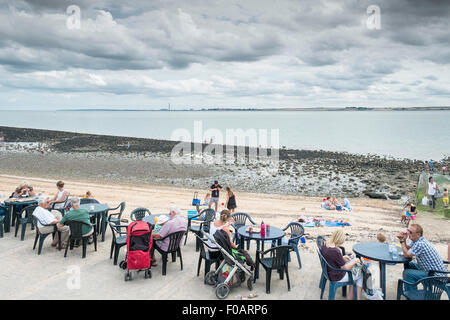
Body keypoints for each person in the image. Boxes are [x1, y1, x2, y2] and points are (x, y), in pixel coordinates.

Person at [397, 224, 447, 291]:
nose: (408, 233)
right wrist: (404, 239)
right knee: (410, 264)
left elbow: (407, 255)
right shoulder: (417, 240)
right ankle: (411, 289)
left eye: (411, 232)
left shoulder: (420, 244)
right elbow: (407, 248)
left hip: (436, 276)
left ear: (418, 234)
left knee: (407, 273)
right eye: (408, 231)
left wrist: (402, 241)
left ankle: (412, 295)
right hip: (430, 271)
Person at [320, 229, 364, 300]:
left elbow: (330, 257)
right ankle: (353, 297)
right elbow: (345, 268)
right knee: (360, 275)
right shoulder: (336, 251)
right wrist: (354, 261)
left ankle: (351, 296)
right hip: (336, 276)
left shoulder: (325, 244)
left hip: (328, 271)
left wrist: (342, 257)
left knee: (354, 273)